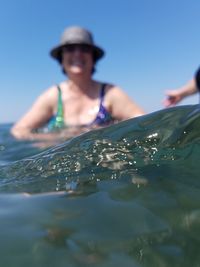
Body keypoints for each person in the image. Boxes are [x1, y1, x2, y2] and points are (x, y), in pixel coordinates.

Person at [11, 26, 145, 141]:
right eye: (70, 48)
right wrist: (55, 138)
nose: (77, 54)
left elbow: (145, 124)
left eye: (84, 49)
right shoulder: (52, 96)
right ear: (61, 58)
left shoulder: (111, 93)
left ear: (93, 58)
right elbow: (18, 131)